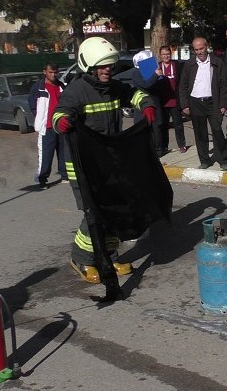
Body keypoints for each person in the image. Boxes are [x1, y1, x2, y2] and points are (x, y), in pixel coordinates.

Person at [52, 36, 157, 284]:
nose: (108, 70)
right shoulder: (76, 91)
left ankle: (108, 255)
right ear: (88, 66)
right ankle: (81, 258)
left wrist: (147, 105)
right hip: (83, 165)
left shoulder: (112, 87)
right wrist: (62, 122)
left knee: (113, 211)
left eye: (109, 65)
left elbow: (135, 93)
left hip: (107, 163)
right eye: (102, 66)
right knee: (95, 213)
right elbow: (59, 115)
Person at [179, 37, 227, 170]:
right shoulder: (189, 64)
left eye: (201, 48)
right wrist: (185, 105)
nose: (199, 52)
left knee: (217, 131)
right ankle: (205, 160)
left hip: (213, 102)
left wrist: (223, 104)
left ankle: (223, 160)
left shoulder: (217, 62)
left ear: (206, 47)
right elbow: (183, 86)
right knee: (200, 133)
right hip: (195, 102)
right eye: (196, 50)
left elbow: (224, 86)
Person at [28, 62, 68, 189]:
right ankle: (42, 179)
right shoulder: (38, 87)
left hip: (60, 126)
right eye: (51, 72)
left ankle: (64, 175)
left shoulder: (61, 86)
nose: (54, 74)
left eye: (56, 72)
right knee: (46, 154)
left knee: (63, 152)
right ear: (44, 72)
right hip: (47, 127)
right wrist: (39, 118)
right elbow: (32, 104)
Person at [153, 45, 187, 155]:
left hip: (174, 100)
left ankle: (182, 145)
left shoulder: (177, 65)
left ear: (170, 54)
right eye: (163, 54)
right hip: (162, 101)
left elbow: (182, 82)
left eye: (167, 54)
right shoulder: (157, 67)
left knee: (178, 124)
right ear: (160, 55)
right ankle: (164, 146)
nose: (166, 56)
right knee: (163, 125)